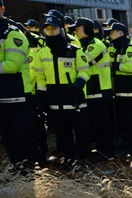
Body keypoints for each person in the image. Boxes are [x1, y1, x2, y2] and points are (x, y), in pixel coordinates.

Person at [34, 10, 91, 167]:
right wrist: (41, 98)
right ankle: (69, 156)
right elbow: (40, 78)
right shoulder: (41, 53)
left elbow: (85, 71)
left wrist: (78, 84)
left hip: (73, 98)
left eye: (54, 28)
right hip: (54, 99)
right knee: (62, 132)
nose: (51, 32)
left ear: (61, 29)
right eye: (48, 29)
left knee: (80, 131)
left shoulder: (74, 50)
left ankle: (80, 158)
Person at [0, 0, 43, 170]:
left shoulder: (13, 34)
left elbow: (13, 65)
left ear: (2, 9)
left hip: (17, 96)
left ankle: (36, 172)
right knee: (8, 138)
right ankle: (18, 167)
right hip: (2, 97)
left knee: (25, 136)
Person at [69, 17, 114, 159]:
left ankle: (106, 150)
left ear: (87, 30)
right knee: (95, 122)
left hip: (100, 89)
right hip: (92, 89)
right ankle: (100, 148)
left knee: (102, 122)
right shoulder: (83, 44)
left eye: (78, 29)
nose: (75, 32)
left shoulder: (96, 44)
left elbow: (82, 60)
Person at [106, 22, 132, 155]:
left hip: (131, 90)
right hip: (118, 90)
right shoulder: (113, 49)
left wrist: (114, 65)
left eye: (113, 32)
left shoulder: (130, 49)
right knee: (123, 120)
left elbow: (129, 68)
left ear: (121, 33)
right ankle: (127, 141)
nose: (110, 34)